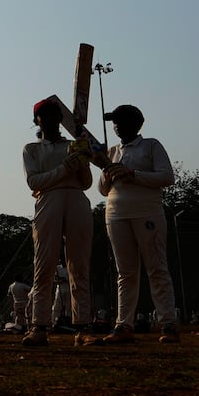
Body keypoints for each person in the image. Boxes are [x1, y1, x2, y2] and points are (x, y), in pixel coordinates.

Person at [94, 105, 178, 344]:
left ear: (137, 124)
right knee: (125, 272)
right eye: (115, 122)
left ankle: (168, 323)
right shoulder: (110, 152)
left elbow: (167, 177)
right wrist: (108, 174)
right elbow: (102, 190)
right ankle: (124, 324)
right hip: (116, 214)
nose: (117, 126)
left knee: (157, 267)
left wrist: (133, 174)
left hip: (147, 211)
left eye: (121, 121)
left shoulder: (151, 145)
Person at [23, 98, 95, 347]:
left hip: (76, 197)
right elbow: (34, 183)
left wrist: (82, 159)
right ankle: (39, 326)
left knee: (79, 265)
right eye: (46, 115)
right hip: (47, 201)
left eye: (56, 115)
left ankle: (82, 327)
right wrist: (65, 168)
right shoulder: (31, 149)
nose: (52, 119)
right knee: (44, 265)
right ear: (37, 120)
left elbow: (86, 182)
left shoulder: (73, 145)